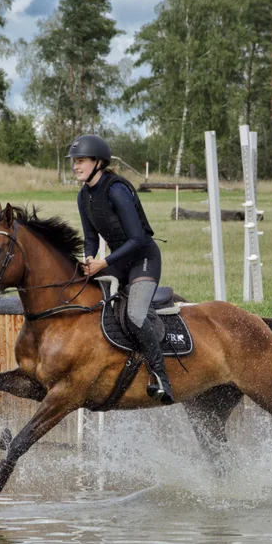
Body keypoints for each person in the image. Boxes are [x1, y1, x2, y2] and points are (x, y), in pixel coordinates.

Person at [69, 134, 174, 405]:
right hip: (116, 261)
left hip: (143, 259)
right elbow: (91, 238)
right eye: (74, 161)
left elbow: (138, 238)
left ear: (98, 162)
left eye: (80, 161)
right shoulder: (84, 196)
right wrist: (89, 259)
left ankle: (160, 376)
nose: (75, 166)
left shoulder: (116, 190)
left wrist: (104, 262)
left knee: (135, 314)